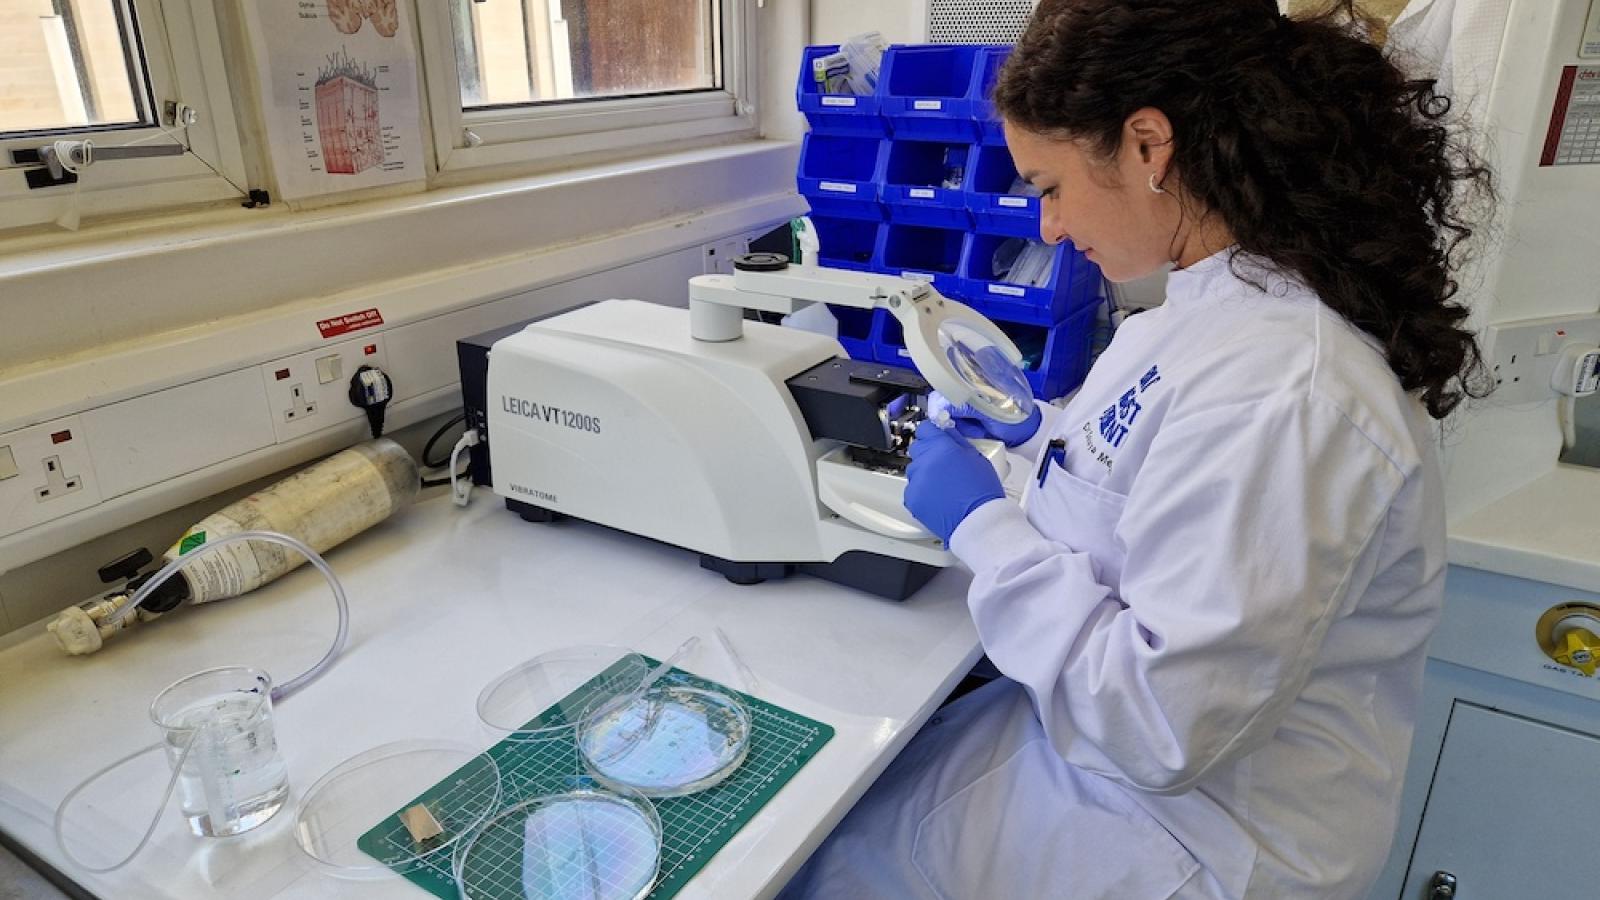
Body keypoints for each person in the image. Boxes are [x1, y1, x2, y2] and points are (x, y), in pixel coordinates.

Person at [779, 1, 1492, 897]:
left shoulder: (1291, 394)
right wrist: (1032, 453)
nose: (1046, 229)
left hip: (1200, 838)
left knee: (822, 864)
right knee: (852, 821)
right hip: (1098, 775)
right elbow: (1145, 494)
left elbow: (1157, 725)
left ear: (1149, 146)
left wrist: (984, 528)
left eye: (1049, 187)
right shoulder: (1204, 305)